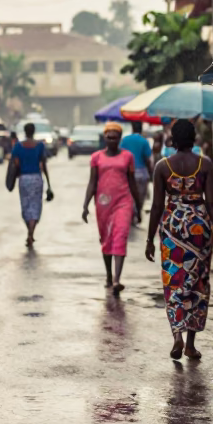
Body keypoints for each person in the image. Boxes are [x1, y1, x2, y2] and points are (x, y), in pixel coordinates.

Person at [146, 119, 213, 360]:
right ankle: (191, 344)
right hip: (198, 227)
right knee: (197, 282)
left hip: (172, 228)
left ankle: (177, 337)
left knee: (174, 280)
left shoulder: (162, 167)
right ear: (194, 140)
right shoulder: (205, 165)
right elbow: (212, 203)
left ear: (172, 140)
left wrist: (150, 239)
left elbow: (156, 206)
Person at [83, 121, 141, 296]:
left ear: (120, 139)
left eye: (115, 138)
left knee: (120, 236)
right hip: (103, 203)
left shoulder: (127, 157)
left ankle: (117, 279)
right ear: (104, 138)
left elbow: (132, 182)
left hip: (123, 202)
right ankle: (109, 275)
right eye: (109, 137)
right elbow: (92, 182)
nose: (112, 140)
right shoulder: (96, 158)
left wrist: (138, 205)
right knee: (106, 239)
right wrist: (85, 205)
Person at [9, 122, 52, 246]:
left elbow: (16, 164)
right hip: (37, 179)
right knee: (35, 206)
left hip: (24, 179)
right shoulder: (40, 146)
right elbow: (44, 165)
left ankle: (29, 231)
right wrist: (49, 184)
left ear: (25, 131)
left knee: (25, 206)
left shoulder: (18, 146)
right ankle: (31, 233)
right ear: (33, 132)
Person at [120, 121, 155, 226]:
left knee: (129, 195)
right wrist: (151, 174)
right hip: (141, 174)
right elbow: (148, 159)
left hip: (127, 173)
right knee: (140, 196)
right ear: (141, 129)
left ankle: (130, 214)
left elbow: (121, 156)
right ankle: (136, 213)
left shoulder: (125, 140)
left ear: (132, 128)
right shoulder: (144, 141)